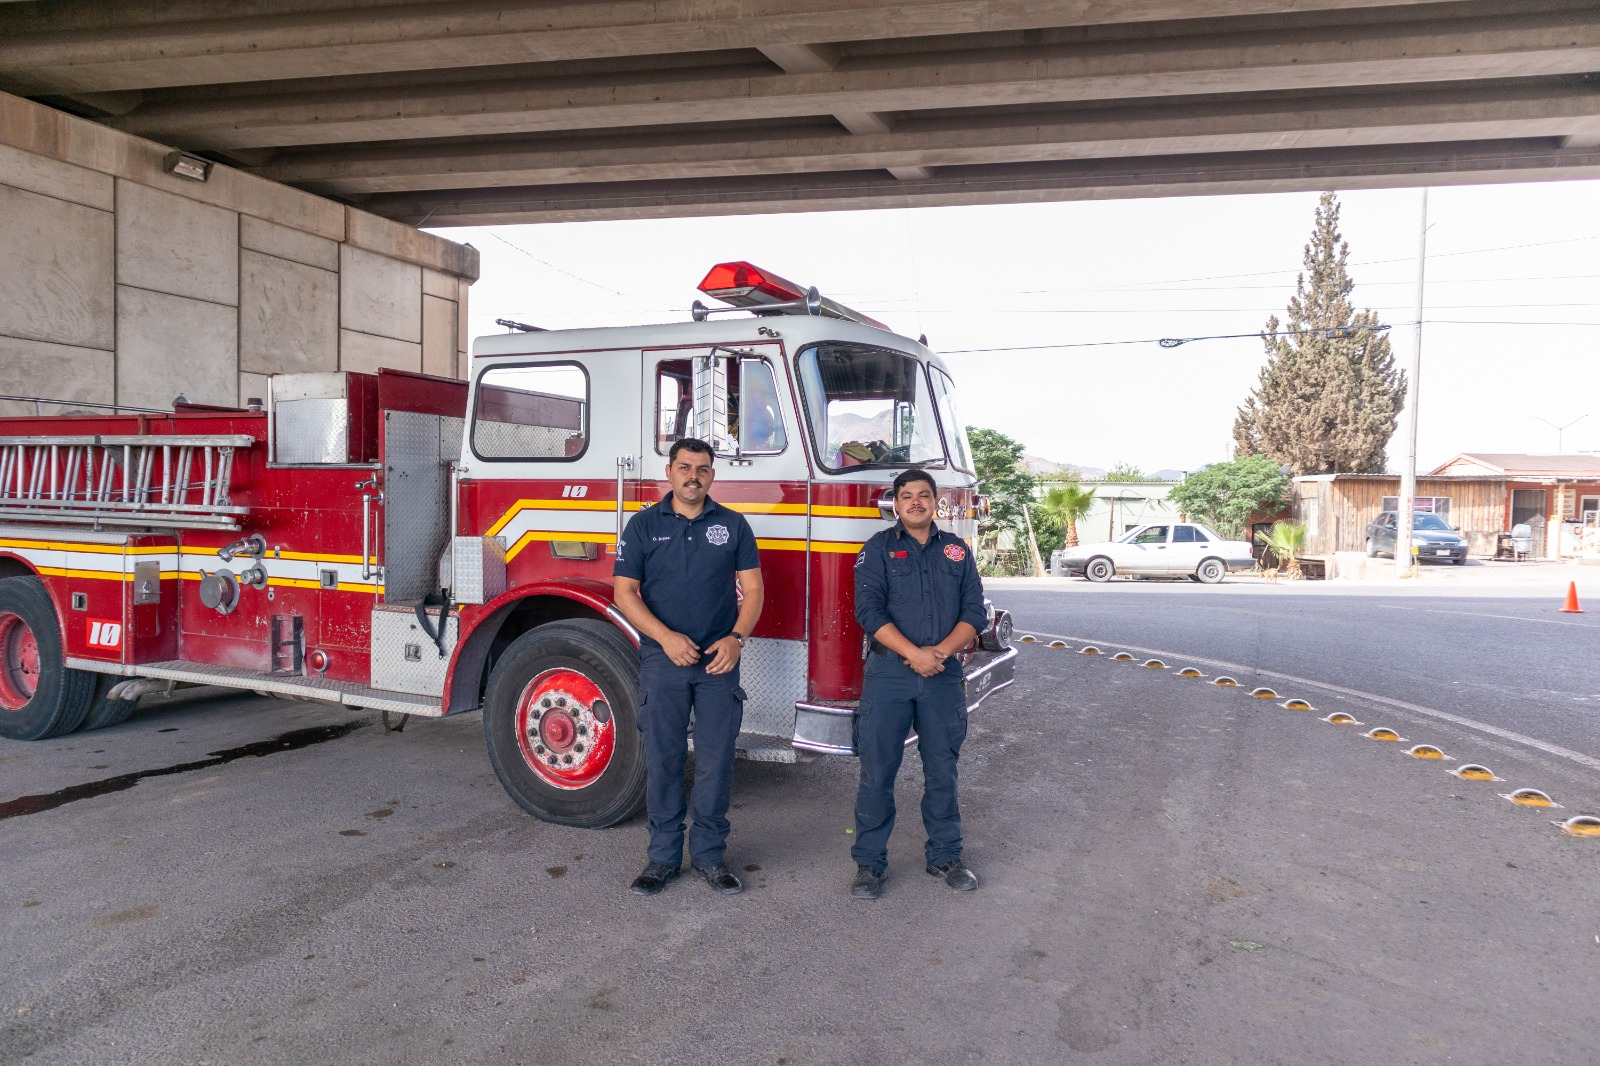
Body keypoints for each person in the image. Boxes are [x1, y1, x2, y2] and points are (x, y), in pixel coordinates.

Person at [614, 437, 764, 896]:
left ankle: (710, 857)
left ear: (712, 476)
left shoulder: (734, 525)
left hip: (719, 660)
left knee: (717, 760)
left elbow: (753, 591)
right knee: (664, 758)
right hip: (664, 660)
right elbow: (624, 593)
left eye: (702, 468)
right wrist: (666, 638)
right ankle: (661, 859)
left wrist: (736, 639)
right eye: (685, 467)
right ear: (670, 472)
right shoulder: (641, 526)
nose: (693, 475)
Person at [848, 468, 987, 899]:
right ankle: (869, 865)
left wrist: (939, 654)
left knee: (942, 770)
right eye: (906, 495)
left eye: (923, 495)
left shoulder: (957, 552)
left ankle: (945, 855)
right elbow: (868, 612)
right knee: (877, 774)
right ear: (895, 502)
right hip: (889, 675)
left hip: (941, 677)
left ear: (934, 502)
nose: (915, 502)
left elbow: (975, 613)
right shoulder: (877, 550)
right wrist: (914, 654)